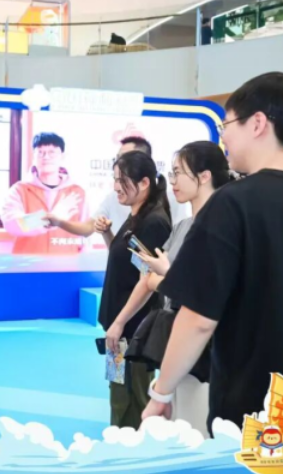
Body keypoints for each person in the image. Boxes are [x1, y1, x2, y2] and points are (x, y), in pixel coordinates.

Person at [141, 72, 283, 435]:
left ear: (258, 123)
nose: (224, 138)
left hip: (253, 419)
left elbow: (199, 318)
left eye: (227, 125)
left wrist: (161, 391)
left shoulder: (231, 205)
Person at [105, 141, 233, 437]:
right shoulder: (178, 226)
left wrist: (164, 277)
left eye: (178, 173)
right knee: (169, 415)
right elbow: (147, 278)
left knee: (192, 423)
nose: (172, 181)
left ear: (204, 176)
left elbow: (199, 291)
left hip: (200, 345)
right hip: (168, 337)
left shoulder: (213, 228)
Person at [98, 150, 172, 428]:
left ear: (144, 183)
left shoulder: (154, 222)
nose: (116, 186)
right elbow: (126, 261)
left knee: (135, 398)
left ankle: (135, 449)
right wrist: (107, 234)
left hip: (133, 329)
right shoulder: (136, 216)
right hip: (120, 330)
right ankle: (119, 443)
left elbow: (147, 281)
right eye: (115, 179)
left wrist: (119, 323)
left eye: (122, 180)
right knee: (118, 393)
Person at [46, 136, 152, 245]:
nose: (119, 162)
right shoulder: (114, 197)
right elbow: (88, 228)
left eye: (125, 157)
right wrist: (58, 222)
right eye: (118, 158)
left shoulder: (160, 203)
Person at [1, 132, 88, 254]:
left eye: (52, 152)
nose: (46, 157)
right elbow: (12, 224)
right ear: (33, 156)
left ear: (62, 156)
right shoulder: (19, 190)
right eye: (40, 152)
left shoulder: (77, 192)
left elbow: (85, 234)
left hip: (66, 263)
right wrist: (53, 217)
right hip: (27, 263)